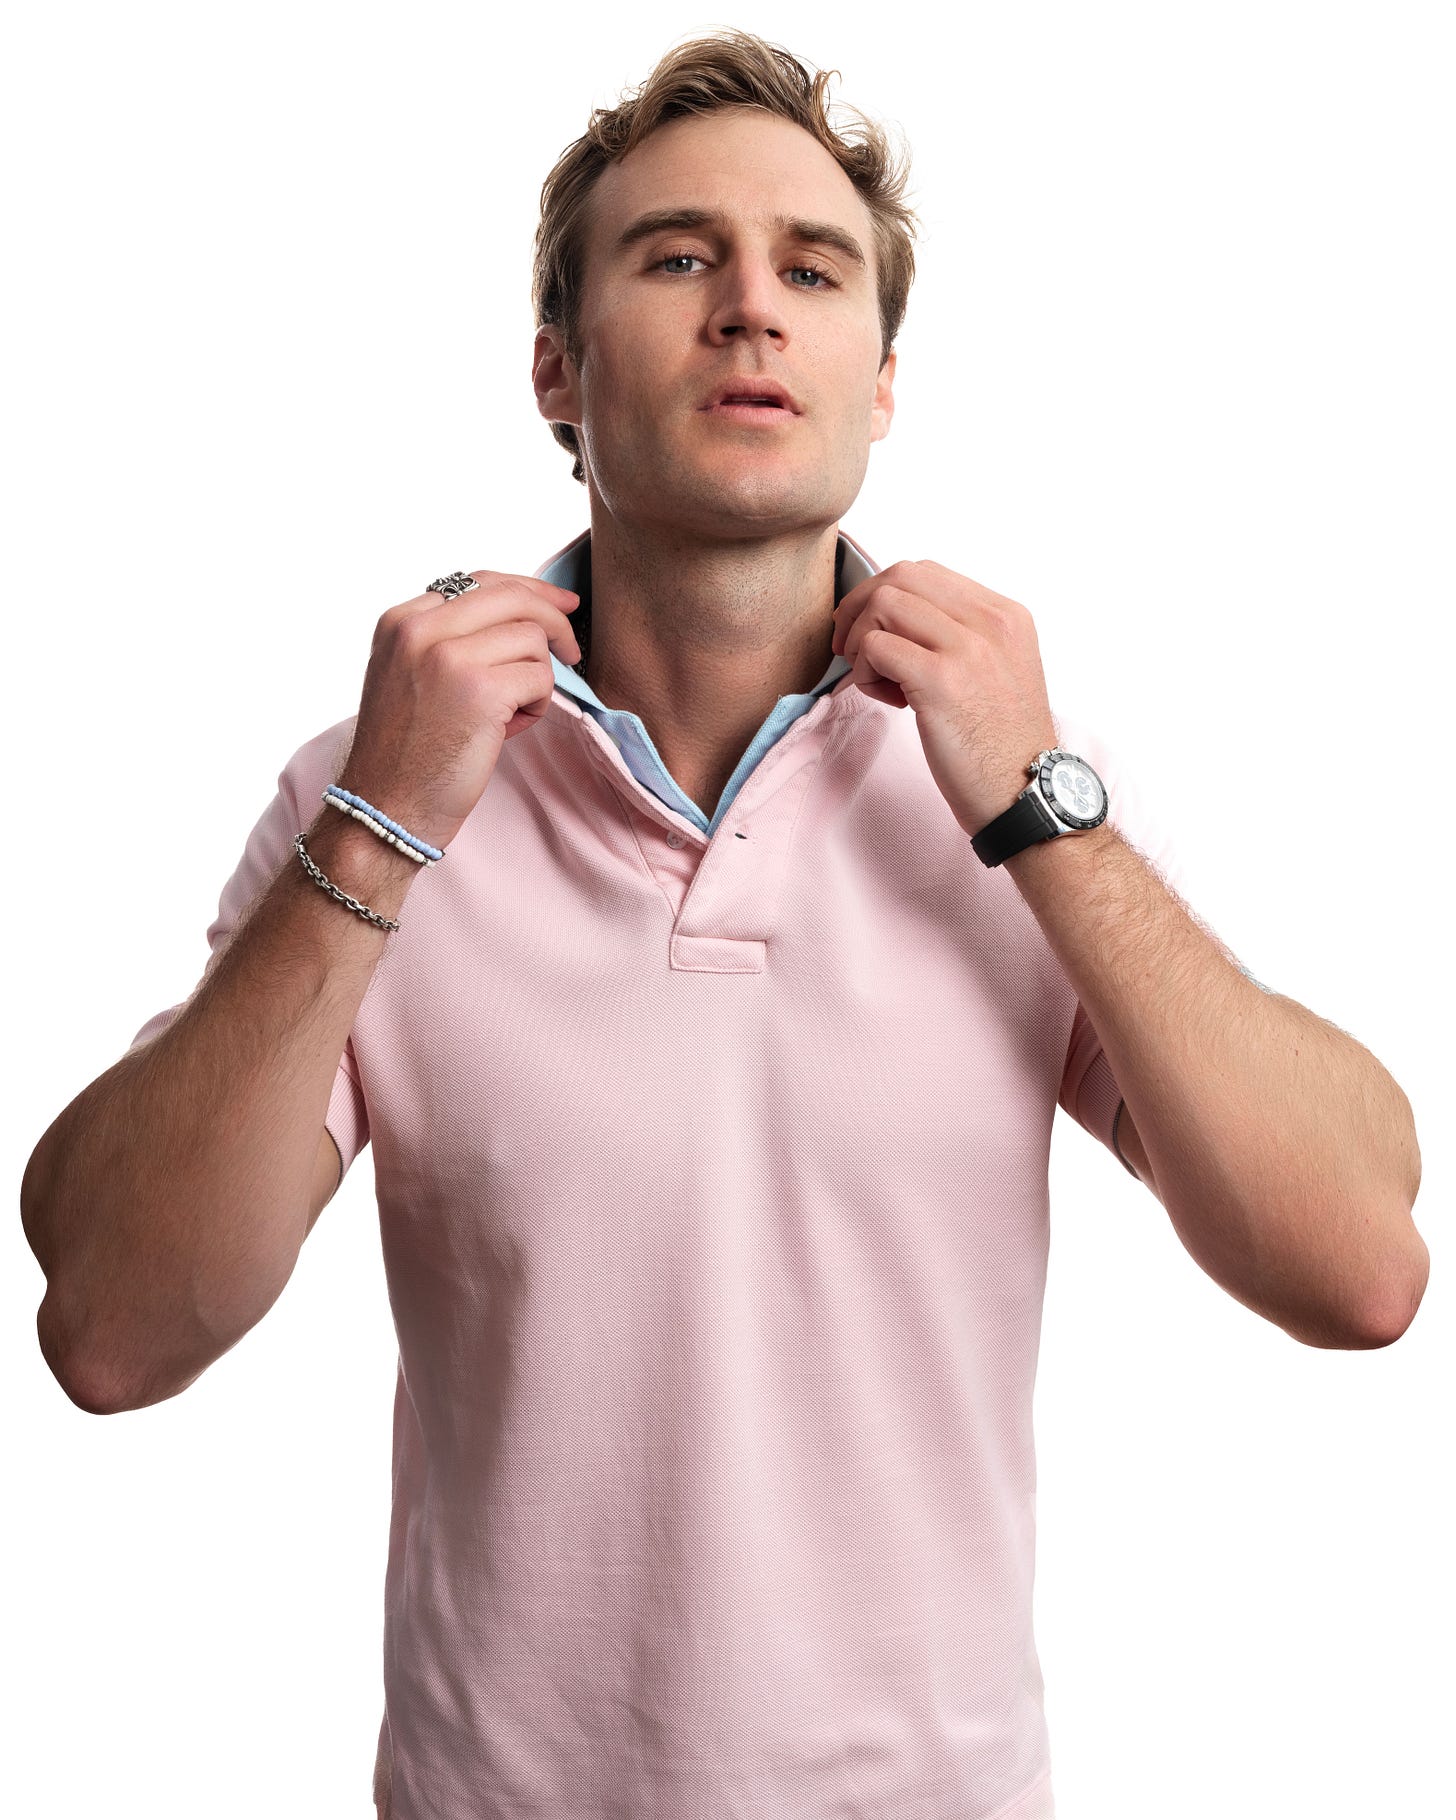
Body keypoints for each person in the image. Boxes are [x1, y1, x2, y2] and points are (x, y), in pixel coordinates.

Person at [20, 27, 1426, 1820]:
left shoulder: (1029, 784)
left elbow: (1361, 1269)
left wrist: (1036, 806)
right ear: (557, 368)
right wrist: (382, 822)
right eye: (680, 256)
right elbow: (113, 1330)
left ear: (880, 383)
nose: (753, 305)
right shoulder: (376, 789)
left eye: (814, 270)